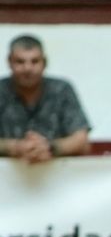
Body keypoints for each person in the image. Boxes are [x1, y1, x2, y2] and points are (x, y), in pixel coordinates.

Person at [0, 34, 90, 162]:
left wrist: (49, 148)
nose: (28, 68)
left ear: (45, 62)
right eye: (20, 61)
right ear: (9, 62)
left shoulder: (62, 89)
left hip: (58, 177)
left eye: (35, 61)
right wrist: (14, 148)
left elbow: (81, 140)